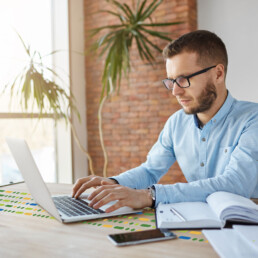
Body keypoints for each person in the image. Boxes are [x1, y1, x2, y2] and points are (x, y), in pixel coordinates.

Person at [72, 30, 258, 213]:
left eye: (183, 79)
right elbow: (150, 170)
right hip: (200, 221)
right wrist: (112, 183)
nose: (175, 92)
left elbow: (235, 184)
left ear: (218, 74)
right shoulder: (176, 123)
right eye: (171, 81)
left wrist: (150, 196)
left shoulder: (252, 119)